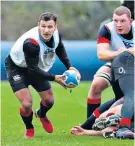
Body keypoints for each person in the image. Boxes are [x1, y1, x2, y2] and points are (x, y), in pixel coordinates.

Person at [5, 11, 80, 139]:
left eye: (50, 27)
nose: (46, 30)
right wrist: (54, 78)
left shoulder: (56, 35)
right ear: (38, 25)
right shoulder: (31, 43)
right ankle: (29, 127)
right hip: (17, 68)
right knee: (27, 103)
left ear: (55, 27)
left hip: (36, 66)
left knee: (49, 101)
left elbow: (59, 48)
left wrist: (69, 66)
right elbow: (33, 70)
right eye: (43, 26)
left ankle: (41, 114)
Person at [85, 6, 134, 127]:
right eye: (115, 20)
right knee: (96, 85)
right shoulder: (106, 29)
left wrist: (128, 52)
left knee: (126, 96)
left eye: (122, 21)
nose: (118, 24)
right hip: (114, 64)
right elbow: (101, 54)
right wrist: (118, 53)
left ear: (131, 21)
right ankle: (91, 124)